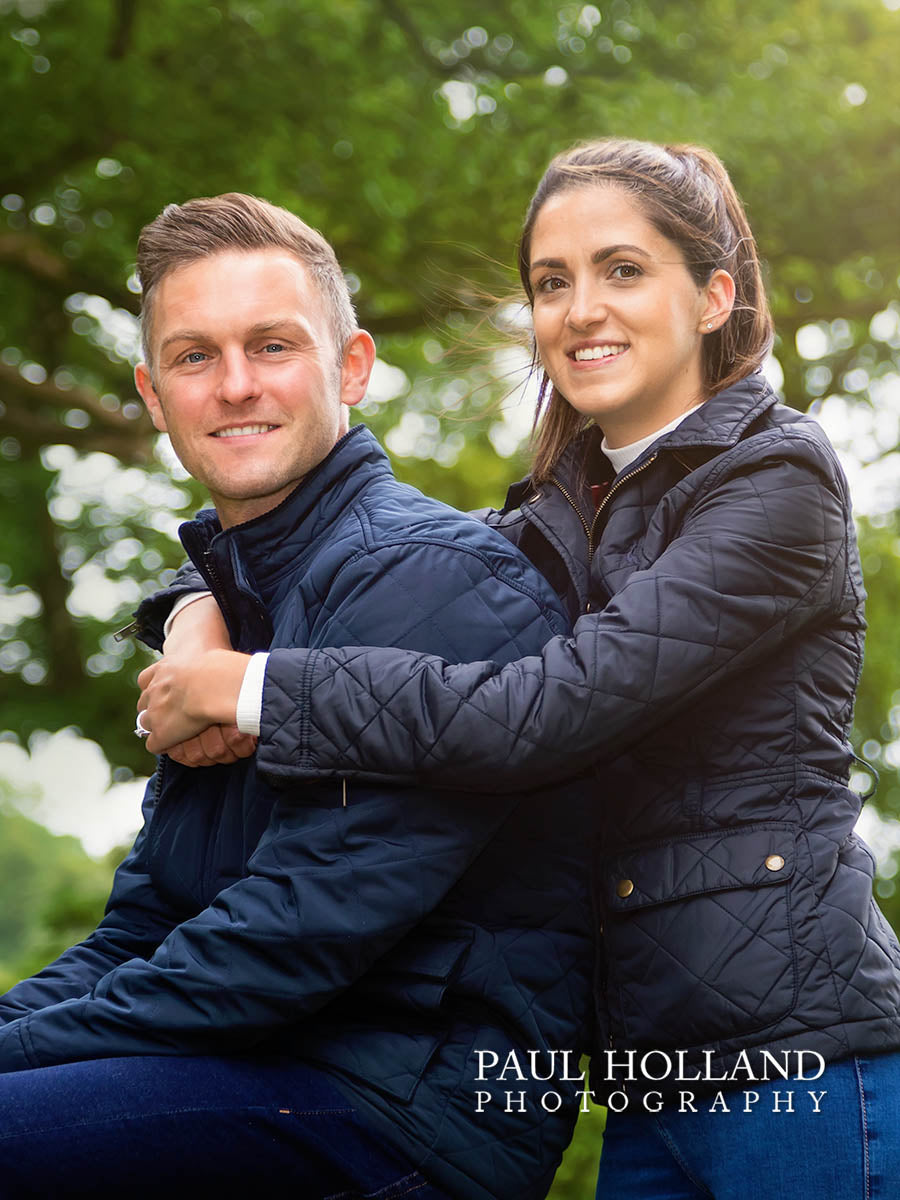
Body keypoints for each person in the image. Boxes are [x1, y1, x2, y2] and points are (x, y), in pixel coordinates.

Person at [150, 141, 900, 1197]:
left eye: (622, 270)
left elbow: (537, 718)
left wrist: (256, 690)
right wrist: (192, 615)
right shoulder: (551, 513)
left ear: (713, 297)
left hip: (799, 1066)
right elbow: (387, 586)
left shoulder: (778, 477)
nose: (580, 308)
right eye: (554, 282)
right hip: (640, 1076)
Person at [0, 193, 596, 1199]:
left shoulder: (430, 576)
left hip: (400, 1106)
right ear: (152, 393)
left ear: (351, 365)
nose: (235, 386)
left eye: (271, 345)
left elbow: (284, 943)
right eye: (195, 357)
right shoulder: (233, 609)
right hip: (252, 1068)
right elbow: (143, 929)